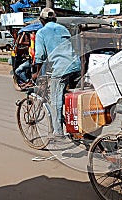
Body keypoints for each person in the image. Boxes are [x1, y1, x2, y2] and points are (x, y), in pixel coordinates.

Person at [33, 8, 81, 138]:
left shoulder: (41, 32)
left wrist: (37, 73)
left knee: (55, 100)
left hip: (61, 68)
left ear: (42, 21)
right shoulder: (63, 29)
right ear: (55, 19)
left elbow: (40, 56)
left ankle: (58, 132)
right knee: (70, 97)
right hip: (76, 66)